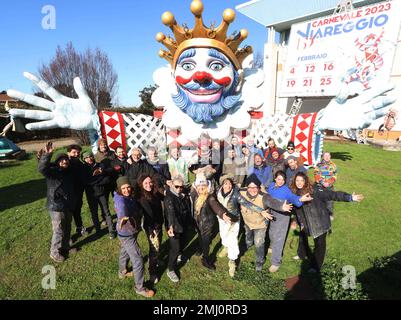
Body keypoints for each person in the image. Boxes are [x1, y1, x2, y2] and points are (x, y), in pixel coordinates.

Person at [290, 172, 363, 272]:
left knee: (319, 245)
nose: (299, 183)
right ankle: (301, 255)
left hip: (320, 221)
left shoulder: (315, 190)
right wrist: (295, 220)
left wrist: (349, 197)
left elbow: (332, 194)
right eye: (297, 180)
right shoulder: (294, 193)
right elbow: (295, 209)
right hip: (305, 222)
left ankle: (315, 267)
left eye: (301, 180)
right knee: (302, 238)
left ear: (306, 181)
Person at [239, 174, 292, 272]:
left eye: (255, 187)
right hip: (247, 222)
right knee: (249, 238)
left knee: (259, 242)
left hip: (260, 224)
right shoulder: (241, 192)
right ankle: (249, 243)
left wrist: (281, 206)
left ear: (259, 187)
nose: (253, 190)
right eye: (250, 187)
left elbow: (272, 202)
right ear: (247, 187)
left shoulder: (264, 196)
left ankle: (260, 262)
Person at [114, 176, 155, 298]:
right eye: (123, 188)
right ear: (119, 189)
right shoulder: (122, 201)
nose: (126, 190)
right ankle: (140, 288)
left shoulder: (123, 196)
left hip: (125, 233)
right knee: (138, 260)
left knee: (124, 251)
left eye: (128, 187)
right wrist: (123, 217)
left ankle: (122, 272)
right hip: (127, 234)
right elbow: (122, 210)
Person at [38, 142, 76, 263]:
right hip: (55, 205)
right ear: (57, 162)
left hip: (67, 204)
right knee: (58, 230)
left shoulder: (69, 172)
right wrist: (47, 155)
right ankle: (54, 252)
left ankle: (65, 247)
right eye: (62, 160)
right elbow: (41, 168)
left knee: (68, 226)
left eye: (66, 160)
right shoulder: (52, 172)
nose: (65, 162)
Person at [267, 171, 311, 273]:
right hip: (272, 213)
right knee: (272, 234)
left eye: (283, 179)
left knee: (279, 238)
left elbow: (293, 198)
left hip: (283, 215)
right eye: (279, 179)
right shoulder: (272, 186)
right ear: (275, 179)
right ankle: (273, 247)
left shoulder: (286, 190)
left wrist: (300, 199)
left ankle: (275, 262)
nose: (281, 181)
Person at [190, 173, 230, 271]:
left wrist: (222, 214)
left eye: (204, 186)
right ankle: (200, 248)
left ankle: (205, 259)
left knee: (206, 242)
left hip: (207, 224)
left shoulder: (209, 197)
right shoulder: (194, 195)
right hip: (197, 222)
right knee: (200, 237)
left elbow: (215, 205)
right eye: (199, 186)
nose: (201, 188)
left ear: (207, 187)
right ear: (196, 187)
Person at [135, 174, 164, 284]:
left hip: (158, 224)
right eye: (146, 183)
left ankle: (157, 259)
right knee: (154, 249)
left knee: (158, 246)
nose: (149, 185)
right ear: (141, 184)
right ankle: (152, 272)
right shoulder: (142, 198)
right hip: (152, 227)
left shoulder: (154, 193)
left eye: (150, 182)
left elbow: (164, 197)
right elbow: (148, 215)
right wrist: (152, 230)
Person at [163, 176, 192, 283]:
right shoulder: (169, 198)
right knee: (175, 248)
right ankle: (170, 269)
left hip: (183, 224)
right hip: (174, 226)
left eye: (181, 186)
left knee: (183, 242)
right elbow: (171, 213)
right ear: (172, 186)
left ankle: (180, 255)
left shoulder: (181, 195)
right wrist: (170, 226)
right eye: (177, 186)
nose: (179, 188)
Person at [82, 151, 116, 238]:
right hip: (91, 195)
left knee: (106, 212)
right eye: (86, 158)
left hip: (101, 193)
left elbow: (107, 179)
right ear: (84, 159)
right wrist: (98, 179)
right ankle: (98, 230)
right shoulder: (83, 168)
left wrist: (94, 180)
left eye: (90, 156)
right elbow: (85, 181)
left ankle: (111, 230)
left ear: (93, 157)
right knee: (94, 213)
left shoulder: (100, 165)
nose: (89, 159)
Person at [215, 175, 241, 277]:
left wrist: (261, 211)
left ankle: (232, 261)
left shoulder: (236, 194)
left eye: (230, 184)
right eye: (226, 183)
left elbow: (245, 202)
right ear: (222, 184)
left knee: (233, 240)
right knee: (223, 235)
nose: (228, 186)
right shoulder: (218, 191)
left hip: (234, 220)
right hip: (221, 219)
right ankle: (225, 247)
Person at [66, 144, 87, 238]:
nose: (76, 154)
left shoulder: (80, 164)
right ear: (68, 153)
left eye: (78, 153)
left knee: (77, 211)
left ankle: (79, 227)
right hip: (67, 194)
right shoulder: (65, 163)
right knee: (67, 215)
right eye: (74, 152)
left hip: (78, 193)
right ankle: (67, 235)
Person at [313, 151, 337, 220]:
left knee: (329, 201)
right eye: (325, 156)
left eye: (328, 156)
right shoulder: (318, 165)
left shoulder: (333, 165)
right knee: (318, 200)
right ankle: (317, 213)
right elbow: (316, 174)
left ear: (330, 157)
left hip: (329, 186)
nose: (327, 157)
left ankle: (329, 214)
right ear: (323, 157)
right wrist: (322, 182)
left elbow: (334, 176)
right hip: (319, 186)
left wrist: (328, 183)